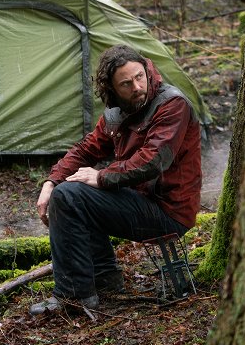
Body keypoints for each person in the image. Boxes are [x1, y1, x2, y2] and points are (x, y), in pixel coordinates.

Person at [29, 44, 201, 315]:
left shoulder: (172, 105)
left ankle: (74, 297)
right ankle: (104, 278)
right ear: (112, 90)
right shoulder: (117, 113)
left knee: (71, 195)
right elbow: (87, 149)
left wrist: (102, 176)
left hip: (167, 211)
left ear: (146, 70)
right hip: (139, 201)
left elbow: (154, 159)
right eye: (126, 83)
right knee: (68, 190)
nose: (137, 87)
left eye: (139, 77)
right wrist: (51, 181)